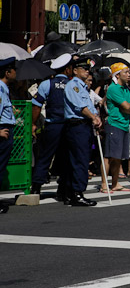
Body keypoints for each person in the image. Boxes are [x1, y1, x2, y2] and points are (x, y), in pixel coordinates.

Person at [30, 53, 72, 194]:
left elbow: (36, 106)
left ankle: (36, 188)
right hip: (68, 126)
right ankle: (63, 189)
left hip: (52, 125)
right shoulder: (73, 85)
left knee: (45, 156)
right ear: (67, 70)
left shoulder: (47, 84)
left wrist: (33, 124)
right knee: (67, 157)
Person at [63, 58, 102, 206]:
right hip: (77, 125)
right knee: (80, 159)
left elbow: (88, 106)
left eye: (88, 69)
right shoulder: (74, 86)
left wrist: (96, 118)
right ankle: (77, 193)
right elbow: (80, 106)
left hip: (84, 125)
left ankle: (70, 192)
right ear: (75, 71)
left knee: (79, 158)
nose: (87, 71)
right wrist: (93, 117)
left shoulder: (83, 87)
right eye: (83, 68)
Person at [101, 63, 130, 193]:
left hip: (124, 124)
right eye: (126, 72)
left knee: (118, 157)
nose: (129, 74)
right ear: (117, 75)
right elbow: (129, 107)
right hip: (115, 124)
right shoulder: (114, 89)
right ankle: (104, 184)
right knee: (109, 156)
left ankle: (115, 183)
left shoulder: (125, 89)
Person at [0, 57, 16, 213]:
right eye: (13, 70)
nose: (15, 73)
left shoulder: (4, 88)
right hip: (2, 130)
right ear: (7, 72)